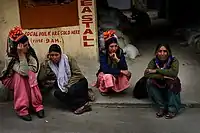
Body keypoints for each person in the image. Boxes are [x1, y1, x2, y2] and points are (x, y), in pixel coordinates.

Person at [0, 26, 45, 121]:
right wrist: (21, 55)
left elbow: (34, 68)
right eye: (25, 45)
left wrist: (26, 68)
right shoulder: (10, 57)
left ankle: (36, 105)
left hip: (26, 77)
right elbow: (23, 72)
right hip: (11, 79)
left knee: (30, 74)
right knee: (20, 76)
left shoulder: (30, 52)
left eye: (27, 44)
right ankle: (22, 109)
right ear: (17, 47)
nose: (27, 47)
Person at [38, 44, 92, 114]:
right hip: (62, 85)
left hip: (77, 81)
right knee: (57, 93)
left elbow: (78, 74)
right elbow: (41, 78)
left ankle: (81, 102)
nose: (54, 57)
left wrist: (68, 84)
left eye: (56, 55)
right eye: (52, 55)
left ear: (60, 54)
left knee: (71, 91)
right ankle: (82, 105)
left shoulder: (68, 59)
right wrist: (45, 63)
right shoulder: (48, 64)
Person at [144, 44, 181, 119]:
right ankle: (162, 107)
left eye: (165, 51)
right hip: (160, 82)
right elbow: (146, 74)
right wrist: (162, 76)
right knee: (149, 81)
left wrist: (156, 70)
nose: (162, 53)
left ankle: (172, 109)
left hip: (169, 82)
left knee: (174, 82)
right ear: (156, 53)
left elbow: (173, 73)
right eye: (160, 51)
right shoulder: (154, 61)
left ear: (168, 52)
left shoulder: (174, 60)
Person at [93, 30, 131, 96]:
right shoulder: (103, 54)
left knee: (127, 73)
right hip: (105, 74)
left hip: (116, 73)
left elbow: (125, 67)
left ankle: (117, 87)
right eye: (111, 46)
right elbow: (105, 70)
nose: (114, 48)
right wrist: (120, 71)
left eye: (115, 46)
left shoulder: (119, 52)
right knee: (108, 76)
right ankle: (104, 89)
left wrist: (116, 59)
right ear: (107, 47)